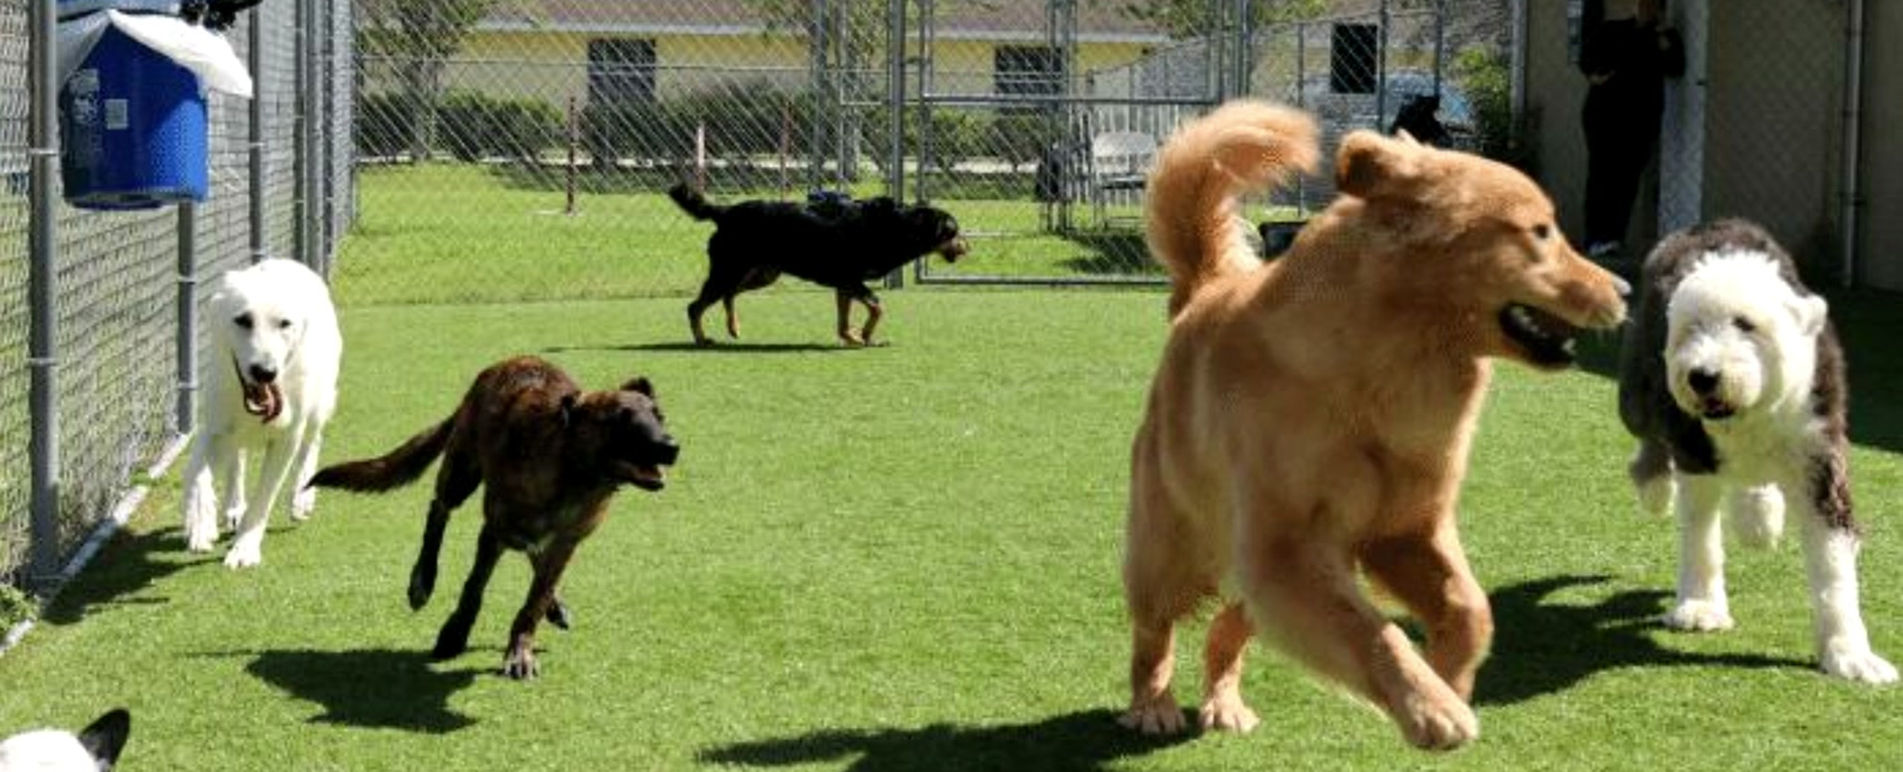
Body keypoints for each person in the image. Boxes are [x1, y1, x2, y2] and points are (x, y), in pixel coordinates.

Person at [1579, 0, 1684, 259]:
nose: (1647, 8)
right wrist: (1594, 75)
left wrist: (1664, 38)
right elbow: (1587, 58)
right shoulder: (1614, 30)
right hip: (1605, 116)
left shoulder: (1665, 36)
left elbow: (1677, 67)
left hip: (1640, 120)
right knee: (1602, 176)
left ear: (1661, 9)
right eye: (1643, 3)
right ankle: (1595, 238)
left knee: (1627, 181)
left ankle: (1614, 238)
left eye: (1653, 5)